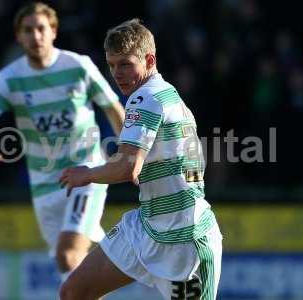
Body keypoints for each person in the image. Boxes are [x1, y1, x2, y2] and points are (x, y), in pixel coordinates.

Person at [59, 19, 222, 300]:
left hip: (184, 240)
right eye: (111, 65)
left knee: (74, 293)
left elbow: (127, 167)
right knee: (74, 292)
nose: (117, 74)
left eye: (125, 64)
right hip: (146, 226)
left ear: (149, 60)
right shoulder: (164, 95)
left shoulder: (145, 98)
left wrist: (86, 174)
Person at [0, 2, 125, 282]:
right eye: (28, 30)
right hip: (43, 185)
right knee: (71, 268)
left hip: (86, 172)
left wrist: (128, 155)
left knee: (68, 254)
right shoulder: (10, 78)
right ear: (19, 37)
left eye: (41, 28)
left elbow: (114, 110)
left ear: (53, 31)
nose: (35, 36)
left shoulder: (78, 66)